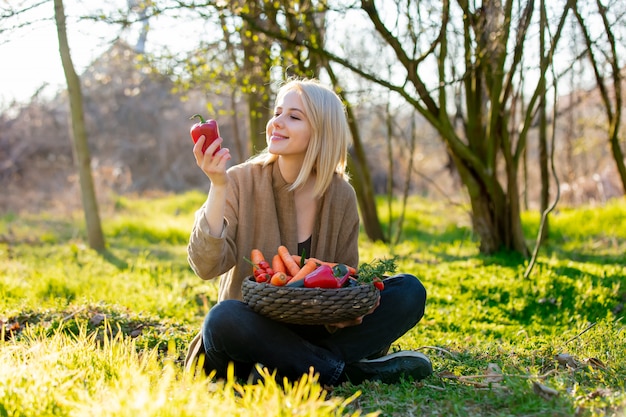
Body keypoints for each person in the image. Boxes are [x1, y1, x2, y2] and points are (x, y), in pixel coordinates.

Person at [184, 77, 432, 386]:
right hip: (250, 334)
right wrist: (217, 185)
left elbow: (346, 278)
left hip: (315, 330)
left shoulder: (341, 195)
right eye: (277, 112)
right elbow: (206, 266)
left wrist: (348, 309)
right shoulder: (238, 181)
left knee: (409, 291)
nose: (277, 122)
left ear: (322, 131)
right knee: (223, 319)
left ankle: (291, 369)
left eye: (293, 116)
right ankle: (342, 371)